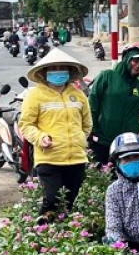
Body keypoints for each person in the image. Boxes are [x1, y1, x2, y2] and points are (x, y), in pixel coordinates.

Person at [18, 48, 92, 219]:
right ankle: (41, 234)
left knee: (68, 202)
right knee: (51, 200)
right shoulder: (35, 95)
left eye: (62, 68)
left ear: (69, 71)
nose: (58, 72)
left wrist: (79, 139)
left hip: (76, 158)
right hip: (49, 159)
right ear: (45, 72)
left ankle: (62, 238)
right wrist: (40, 137)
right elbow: (26, 124)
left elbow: (87, 124)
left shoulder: (78, 95)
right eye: (54, 68)